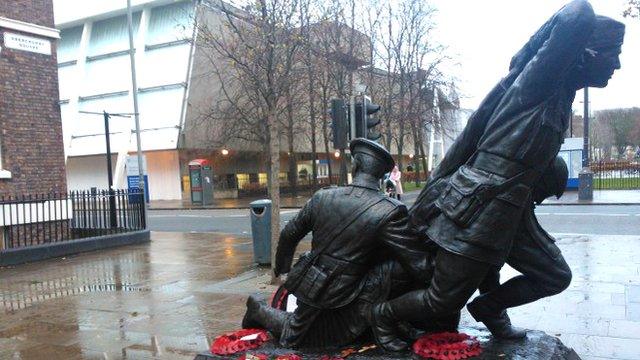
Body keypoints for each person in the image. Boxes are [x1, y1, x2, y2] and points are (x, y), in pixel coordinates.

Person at [370, 0, 625, 351]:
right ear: (582, 53)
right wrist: (528, 53)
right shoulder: (540, 82)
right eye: (613, 53)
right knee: (443, 300)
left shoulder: (561, 97)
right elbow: (577, 12)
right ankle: (383, 314)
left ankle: (489, 308)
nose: (617, 64)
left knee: (555, 276)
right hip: (480, 207)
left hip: (513, 210)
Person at [241, 138, 432, 349]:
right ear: (382, 175)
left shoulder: (323, 197)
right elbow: (417, 263)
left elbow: (289, 234)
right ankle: (258, 310)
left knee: (392, 272)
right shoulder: (390, 210)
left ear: (356, 166)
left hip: (324, 282)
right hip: (332, 291)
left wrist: (283, 271)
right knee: (297, 335)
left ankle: (384, 321)